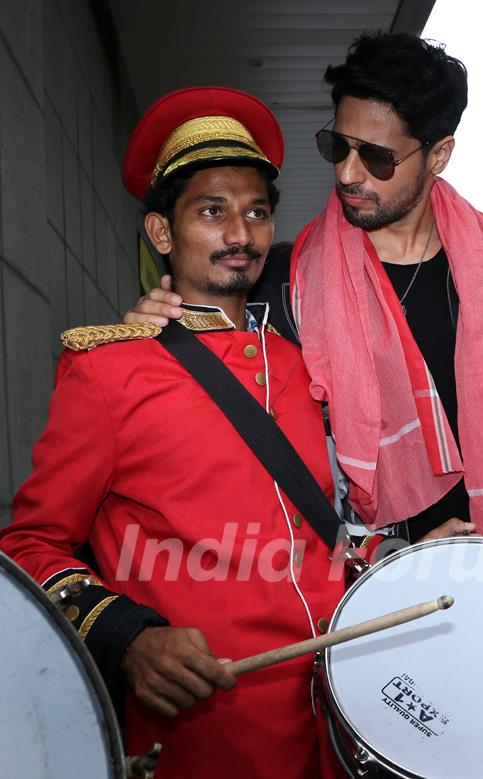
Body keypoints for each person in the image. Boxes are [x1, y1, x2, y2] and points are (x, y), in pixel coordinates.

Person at [128, 34, 483, 565]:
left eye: (377, 158)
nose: (347, 173)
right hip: (371, 583)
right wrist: (159, 334)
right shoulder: (284, 283)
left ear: (439, 155)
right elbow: (237, 417)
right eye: (338, 146)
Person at [0, 88, 345, 779]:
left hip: (338, 726)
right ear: (163, 233)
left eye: (256, 212)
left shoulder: (305, 361)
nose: (241, 234)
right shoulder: (108, 371)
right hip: (208, 736)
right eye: (212, 211)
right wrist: (130, 635)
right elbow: (29, 545)